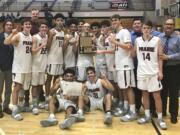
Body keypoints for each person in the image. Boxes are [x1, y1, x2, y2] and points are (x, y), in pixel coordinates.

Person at [133, 20, 167, 130]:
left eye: (148, 28)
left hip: (153, 72)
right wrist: (129, 48)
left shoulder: (157, 40)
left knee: (157, 96)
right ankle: (147, 116)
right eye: (144, 28)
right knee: (145, 94)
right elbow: (133, 54)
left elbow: (160, 58)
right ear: (142, 29)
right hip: (142, 72)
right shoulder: (137, 40)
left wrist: (160, 71)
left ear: (151, 29)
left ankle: (160, 118)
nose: (146, 30)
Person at [109, 14, 136, 122]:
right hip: (120, 64)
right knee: (123, 88)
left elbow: (128, 47)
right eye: (112, 20)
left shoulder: (125, 32)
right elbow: (118, 50)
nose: (114, 22)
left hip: (125, 65)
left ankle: (132, 111)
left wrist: (114, 42)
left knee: (128, 88)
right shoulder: (117, 33)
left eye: (115, 20)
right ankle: (125, 108)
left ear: (120, 21)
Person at [4, 18, 32, 121]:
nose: (28, 25)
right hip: (18, 68)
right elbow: (6, 42)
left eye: (29, 24)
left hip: (27, 68)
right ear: (22, 26)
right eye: (26, 24)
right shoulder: (19, 35)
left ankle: (20, 106)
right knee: (17, 87)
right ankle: (15, 109)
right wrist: (12, 33)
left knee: (23, 89)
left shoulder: (30, 36)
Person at [159, 18, 180, 124]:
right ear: (164, 25)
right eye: (167, 24)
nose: (169, 26)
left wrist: (169, 57)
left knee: (173, 93)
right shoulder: (159, 37)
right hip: (161, 68)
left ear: (174, 26)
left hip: (174, 69)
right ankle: (162, 112)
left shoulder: (178, 38)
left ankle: (173, 114)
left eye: (171, 24)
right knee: (162, 92)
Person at [45, 13, 68, 105]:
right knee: (49, 78)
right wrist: (51, 36)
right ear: (54, 21)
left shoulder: (63, 33)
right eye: (58, 20)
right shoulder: (51, 31)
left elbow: (63, 48)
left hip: (60, 59)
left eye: (61, 20)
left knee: (56, 79)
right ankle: (47, 96)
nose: (60, 22)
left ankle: (52, 95)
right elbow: (47, 47)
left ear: (63, 22)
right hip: (51, 59)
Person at [31, 21, 49, 115]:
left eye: (45, 27)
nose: (44, 29)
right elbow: (33, 51)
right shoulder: (35, 37)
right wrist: (42, 46)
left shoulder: (46, 37)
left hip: (43, 65)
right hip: (35, 65)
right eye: (42, 27)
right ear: (39, 28)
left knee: (40, 85)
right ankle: (34, 105)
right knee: (34, 85)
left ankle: (37, 101)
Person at [0, 20, 14, 118]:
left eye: (10, 25)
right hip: (0, 67)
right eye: (7, 25)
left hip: (10, 67)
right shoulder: (0, 36)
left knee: (9, 89)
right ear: (4, 26)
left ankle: (6, 106)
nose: (9, 26)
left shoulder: (15, 37)